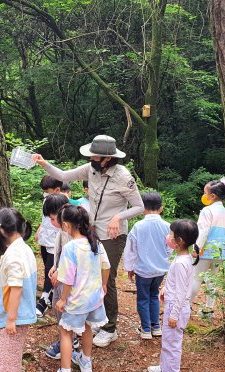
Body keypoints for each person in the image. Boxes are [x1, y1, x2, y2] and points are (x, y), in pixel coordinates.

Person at [33, 135, 144, 348]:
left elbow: (138, 206)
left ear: (106, 158)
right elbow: (64, 174)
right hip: (91, 230)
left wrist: (119, 216)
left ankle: (110, 327)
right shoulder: (90, 169)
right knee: (87, 275)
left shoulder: (123, 176)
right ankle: (93, 319)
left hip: (112, 234)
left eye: (95, 155)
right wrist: (44, 163)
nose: (91, 157)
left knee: (106, 277)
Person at [47, 205, 110, 372]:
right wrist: (104, 285)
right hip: (94, 298)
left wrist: (62, 299)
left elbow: (67, 277)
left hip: (76, 300)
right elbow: (106, 266)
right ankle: (85, 361)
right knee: (88, 327)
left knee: (66, 332)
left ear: (66, 225)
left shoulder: (70, 247)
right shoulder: (95, 243)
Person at [146, 219, 199, 372]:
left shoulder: (183, 262)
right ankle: (165, 367)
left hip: (177, 310)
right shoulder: (182, 257)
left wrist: (174, 315)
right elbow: (176, 282)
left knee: (172, 344)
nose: (168, 237)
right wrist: (165, 289)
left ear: (180, 240)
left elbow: (184, 292)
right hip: (173, 306)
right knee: (168, 341)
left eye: (171, 234)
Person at [0, 208, 37, 372]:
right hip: (18, 316)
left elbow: (16, 287)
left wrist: (10, 319)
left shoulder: (13, 255)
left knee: (2, 362)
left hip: (13, 318)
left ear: (1, 230)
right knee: (11, 355)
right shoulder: (23, 248)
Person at [123, 192, 172, 339]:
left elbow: (131, 249)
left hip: (143, 271)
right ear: (161, 208)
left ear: (142, 208)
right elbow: (170, 247)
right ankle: (156, 326)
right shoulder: (167, 226)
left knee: (143, 298)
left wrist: (130, 267)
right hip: (160, 270)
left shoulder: (138, 226)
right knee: (154, 295)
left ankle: (145, 329)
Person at [40, 195, 80, 360]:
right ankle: (71, 338)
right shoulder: (62, 232)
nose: (51, 222)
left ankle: (68, 343)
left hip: (69, 283)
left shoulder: (72, 234)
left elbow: (72, 262)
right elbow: (59, 255)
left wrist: (60, 272)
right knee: (59, 309)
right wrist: (55, 268)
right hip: (60, 279)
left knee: (65, 310)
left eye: (53, 218)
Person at [190, 178, 225, 317]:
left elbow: (203, 231)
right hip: (220, 251)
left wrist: (196, 248)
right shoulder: (224, 211)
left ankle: (187, 306)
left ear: (212, 196)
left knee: (196, 278)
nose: (204, 195)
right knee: (212, 280)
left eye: (205, 192)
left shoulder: (207, 210)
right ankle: (209, 309)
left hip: (206, 250)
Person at [35, 176, 64, 317]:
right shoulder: (47, 200)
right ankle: (51, 295)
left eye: (48, 191)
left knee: (50, 269)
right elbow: (45, 218)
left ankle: (43, 301)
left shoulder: (62, 203)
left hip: (55, 242)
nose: (45, 194)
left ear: (57, 190)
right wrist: (40, 229)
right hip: (45, 239)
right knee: (46, 268)